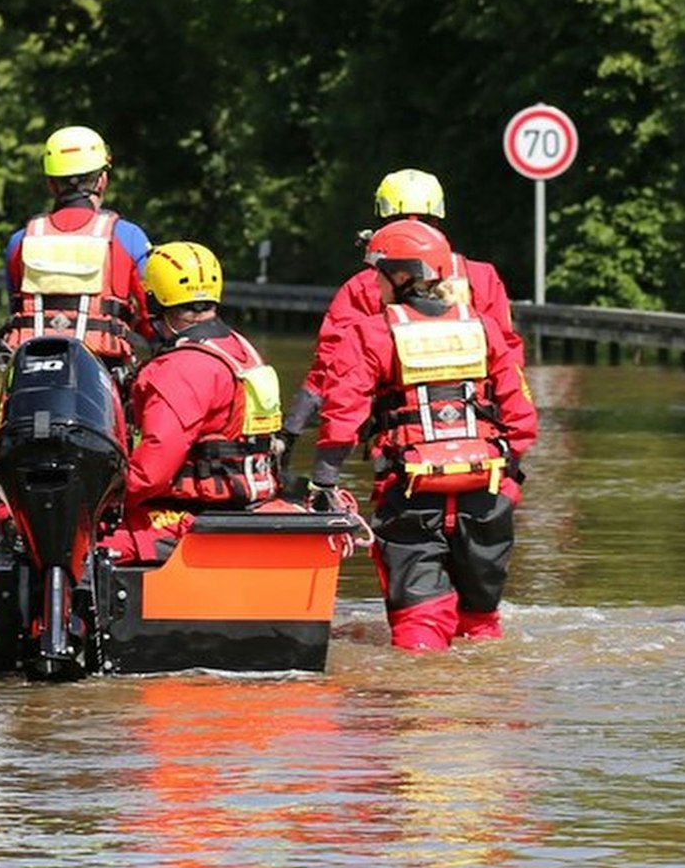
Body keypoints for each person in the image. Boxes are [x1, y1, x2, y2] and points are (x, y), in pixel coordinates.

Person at [307, 219, 539, 651]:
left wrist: (323, 481)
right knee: (481, 627)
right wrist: (507, 482)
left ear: (400, 274)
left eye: (378, 272)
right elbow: (521, 415)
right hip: (486, 497)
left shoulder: (372, 333)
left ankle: (423, 713)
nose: (373, 282)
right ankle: (486, 712)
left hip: (411, 496)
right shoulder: (484, 326)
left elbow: (343, 413)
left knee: (420, 628)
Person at [284, 168, 523, 451]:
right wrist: (515, 442)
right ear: (438, 217)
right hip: (481, 433)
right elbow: (510, 364)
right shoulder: (482, 277)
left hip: (408, 439)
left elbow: (331, 366)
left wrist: (290, 432)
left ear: (383, 220)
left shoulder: (367, 284)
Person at [102, 241, 285, 563]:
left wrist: (99, 497)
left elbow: (151, 471)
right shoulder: (238, 348)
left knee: (71, 547)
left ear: (152, 298)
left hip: (192, 513)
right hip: (242, 501)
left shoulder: (180, 368)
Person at [0, 125, 154, 376]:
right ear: (102, 180)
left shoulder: (20, 240)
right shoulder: (128, 237)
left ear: (51, 184)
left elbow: (16, 308)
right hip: (104, 367)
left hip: (31, 367)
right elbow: (151, 317)